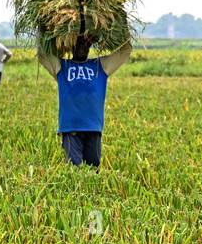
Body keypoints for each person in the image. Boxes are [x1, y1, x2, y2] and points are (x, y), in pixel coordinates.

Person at [37, 35, 132, 167]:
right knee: (74, 169)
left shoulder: (100, 66)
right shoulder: (62, 66)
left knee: (93, 169)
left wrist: (123, 26)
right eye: (78, 43)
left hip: (93, 128)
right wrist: (42, 29)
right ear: (71, 46)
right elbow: (42, 54)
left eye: (86, 44)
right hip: (71, 129)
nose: (82, 47)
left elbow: (125, 51)